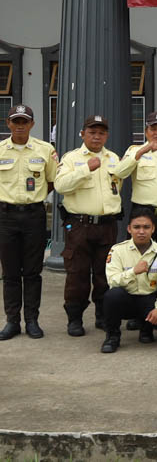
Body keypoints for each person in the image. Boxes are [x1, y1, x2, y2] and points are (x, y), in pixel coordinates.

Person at [54, 114, 122, 336]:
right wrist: (85, 169)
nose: (97, 136)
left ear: (107, 136)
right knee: (78, 273)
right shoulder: (72, 158)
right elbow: (60, 185)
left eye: (101, 133)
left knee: (105, 273)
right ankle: (75, 318)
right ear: (83, 134)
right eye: (92, 132)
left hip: (107, 225)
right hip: (79, 225)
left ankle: (103, 315)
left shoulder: (113, 158)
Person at [0, 105, 58, 340]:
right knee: (10, 272)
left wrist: (35, 198)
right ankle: (12, 321)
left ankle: (32, 320)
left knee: (33, 272)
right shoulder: (0, 150)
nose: (20, 126)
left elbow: (52, 181)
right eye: (16, 121)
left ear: (32, 124)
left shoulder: (45, 150)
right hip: (5, 216)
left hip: (34, 215)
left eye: (24, 121)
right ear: (8, 123)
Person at [100, 211, 157, 353]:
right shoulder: (117, 250)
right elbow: (112, 281)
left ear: (153, 228)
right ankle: (112, 336)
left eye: (146, 227)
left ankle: (146, 327)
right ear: (129, 229)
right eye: (136, 227)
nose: (141, 231)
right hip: (127, 299)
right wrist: (133, 271)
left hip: (149, 298)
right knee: (112, 296)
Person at [113, 111, 157, 251]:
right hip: (143, 214)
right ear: (146, 131)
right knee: (138, 254)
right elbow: (119, 172)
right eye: (153, 129)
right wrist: (142, 151)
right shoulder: (135, 151)